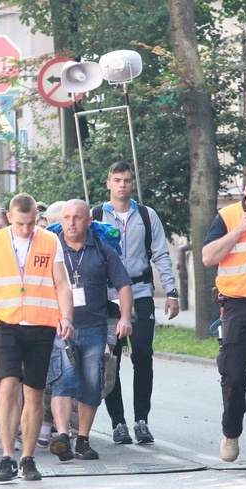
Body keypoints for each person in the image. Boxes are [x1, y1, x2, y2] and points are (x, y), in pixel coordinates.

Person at [0, 193, 74, 482]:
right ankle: (7, 457)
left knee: (33, 391)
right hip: (6, 323)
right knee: (7, 385)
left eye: (31, 223)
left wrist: (66, 317)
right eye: (21, 223)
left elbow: (62, 284)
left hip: (42, 324)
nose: (27, 229)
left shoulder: (49, 240)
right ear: (9, 218)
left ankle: (28, 458)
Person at [95, 161, 179, 445]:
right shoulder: (96, 216)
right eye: (117, 180)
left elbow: (161, 254)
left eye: (127, 180)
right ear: (108, 183)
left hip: (141, 292)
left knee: (143, 353)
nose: (122, 185)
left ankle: (141, 419)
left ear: (133, 184)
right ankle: (118, 423)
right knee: (111, 360)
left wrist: (171, 291)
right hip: (107, 298)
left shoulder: (146, 215)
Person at [47, 200, 133, 462]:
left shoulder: (103, 249)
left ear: (88, 221)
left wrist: (125, 318)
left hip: (94, 326)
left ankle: (82, 440)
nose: (71, 223)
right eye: (67, 218)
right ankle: (62, 435)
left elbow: (124, 285)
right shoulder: (51, 248)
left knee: (91, 384)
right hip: (60, 326)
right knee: (62, 379)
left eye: (77, 217)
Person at [201, 172, 246, 472]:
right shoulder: (227, 216)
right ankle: (231, 432)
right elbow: (207, 257)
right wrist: (239, 229)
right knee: (235, 376)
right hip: (237, 306)